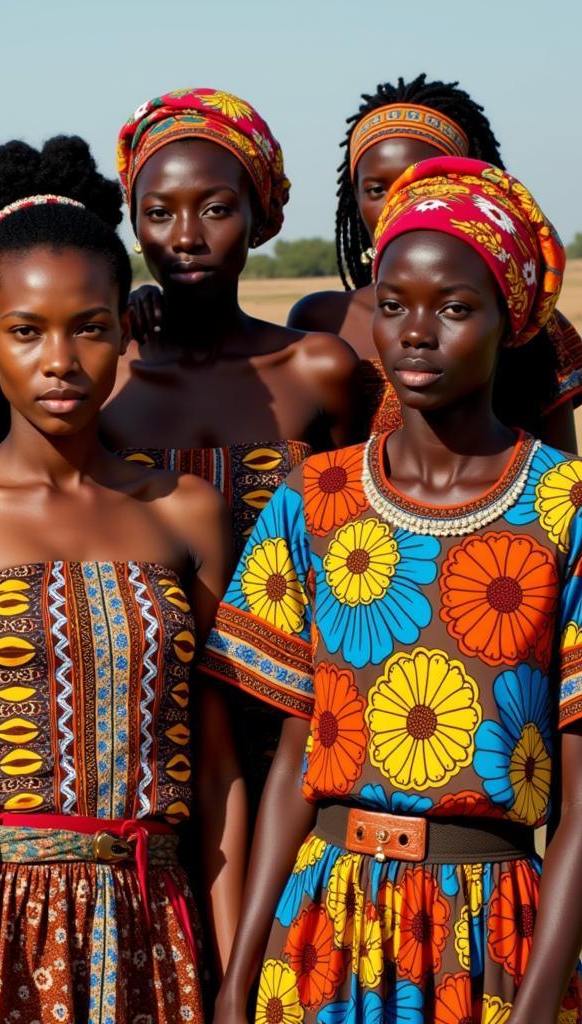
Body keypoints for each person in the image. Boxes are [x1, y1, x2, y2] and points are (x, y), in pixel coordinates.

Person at [0, 136, 243, 1023]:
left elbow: (222, 770)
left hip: (154, 928)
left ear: (125, 329)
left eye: (90, 327)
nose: (61, 361)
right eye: (28, 331)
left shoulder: (184, 511)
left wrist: (231, 980)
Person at [204, 157, 582, 1023]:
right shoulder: (316, 498)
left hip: (488, 934)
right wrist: (239, 977)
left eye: (454, 308)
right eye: (393, 303)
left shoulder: (566, 509)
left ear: (509, 321)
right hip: (321, 929)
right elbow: (292, 762)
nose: (416, 331)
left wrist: (535, 1007)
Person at [105, 88, 360, 815]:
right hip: (147, 732)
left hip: (299, 719)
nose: (186, 235)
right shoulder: (111, 381)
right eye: (159, 213)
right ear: (135, 225)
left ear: (259, 218)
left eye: (215, 208)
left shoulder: (317, 370)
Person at [288, 75, 582, 447]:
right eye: (377, 189)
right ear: (354, 198)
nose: (401, 202)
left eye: (424, 184)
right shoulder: (322, 321)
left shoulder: (529, 325)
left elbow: (562, 477)